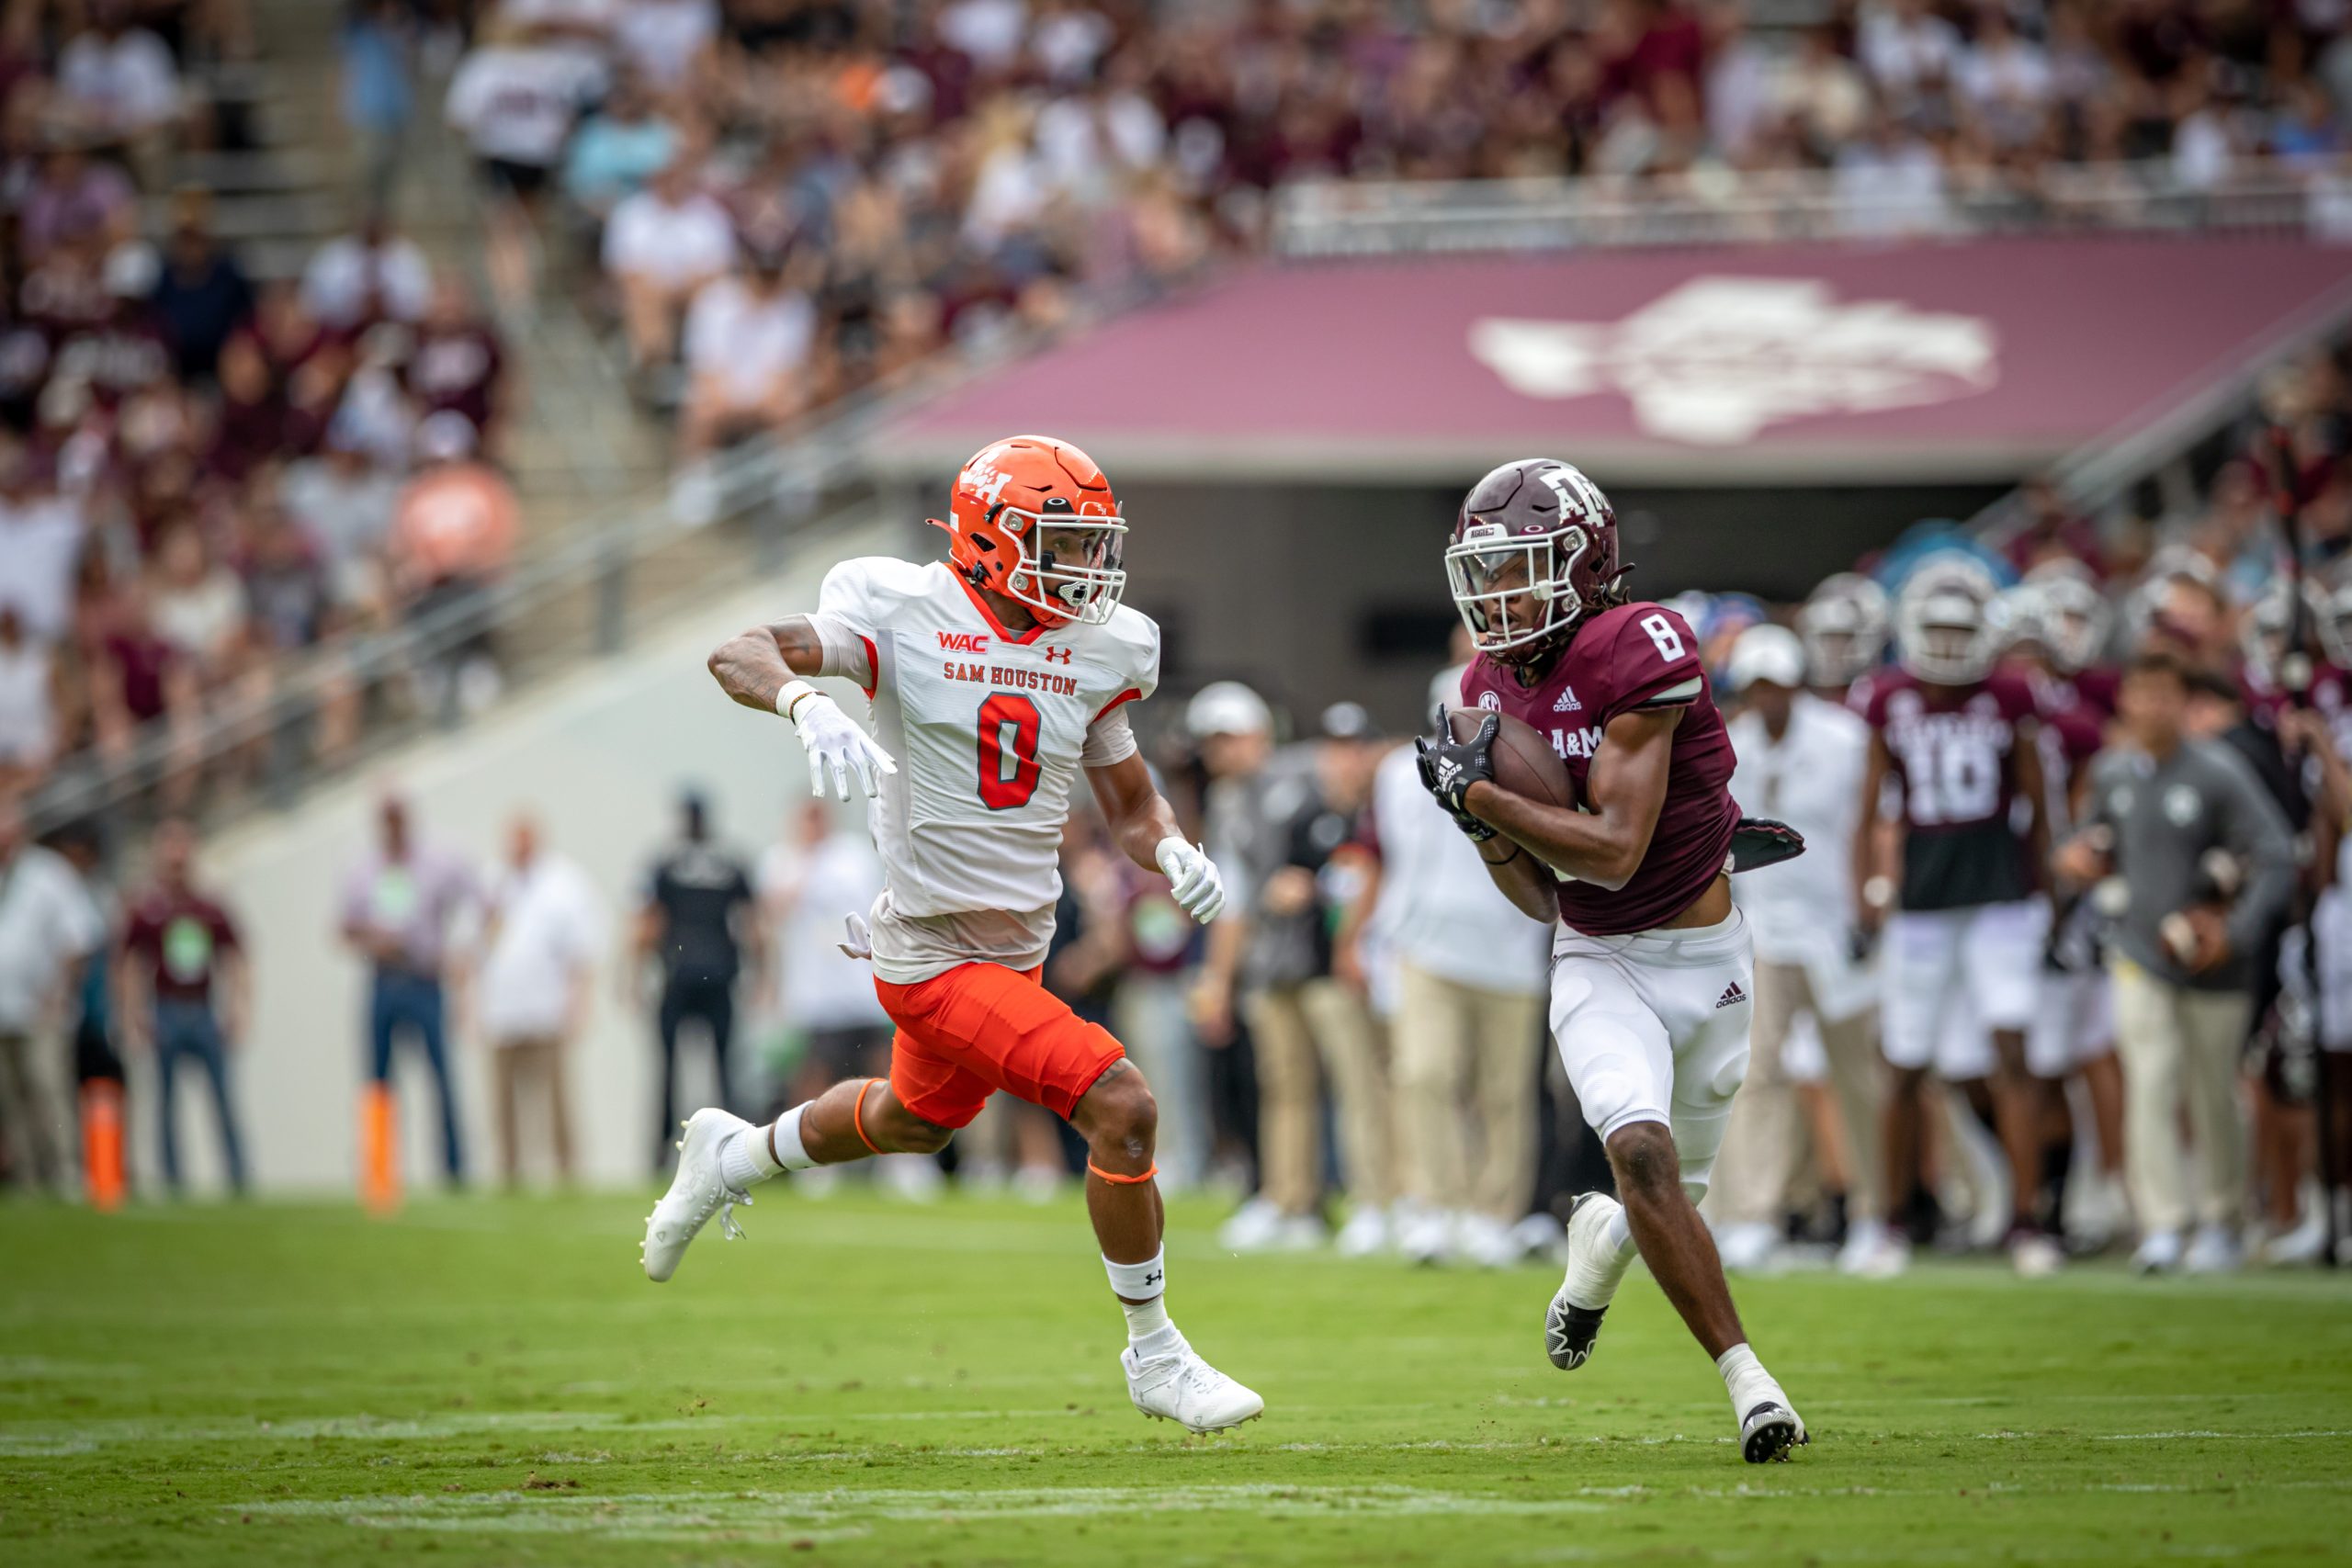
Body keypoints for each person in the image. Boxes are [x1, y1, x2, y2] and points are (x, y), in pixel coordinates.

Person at [650, 433, 1261, 1435]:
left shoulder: (1098, 647)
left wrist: (1170, 849)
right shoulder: (905, 609)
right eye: (1062, 544)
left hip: (1012, 945)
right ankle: (1155, 1354)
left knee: (913, 1121)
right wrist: (804, 700)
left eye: (1091, 544)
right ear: (993, 538)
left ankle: (736, 1156)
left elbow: (1131, 800)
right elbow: (739, 650)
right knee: (1121, 1101)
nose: (1087, 568)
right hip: (930, 951)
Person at [1416, 457, 1804, 1463]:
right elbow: (1546, 894)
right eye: (1487, 573)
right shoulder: (1482, 689)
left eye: (1522, 569)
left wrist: (1485, 798)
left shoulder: (1641, 643)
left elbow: (1617, 844)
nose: (1499, 596)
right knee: (1640, 1154)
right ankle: (1750, 1385)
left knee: (1672, 1196)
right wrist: (1480, 829)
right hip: (1598, 957)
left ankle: (1592, 1259)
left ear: (1585, 564)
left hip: (1707, 955)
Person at [1850, 555, 2057, 1277]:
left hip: (2001, 893)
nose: (1943, 642)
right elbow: (1870, 803)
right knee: (1904, 1061)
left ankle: (2028, 1221)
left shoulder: (2010, 694)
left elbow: (2039, 803)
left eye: (1956, 628)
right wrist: (1864, 893)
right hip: (1924, 901)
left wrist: (2050, 896)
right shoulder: (1888, 698)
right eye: (1932, 627)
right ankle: (1891, 1219)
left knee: (2012, 1051)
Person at [2060, 650, 2297, 1274]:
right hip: (2138, 950)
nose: (2152, 706)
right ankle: (2162, 1222)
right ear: (2127, 700)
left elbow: (2276, 853)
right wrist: (2077, 860)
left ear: (2184, 701)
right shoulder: (2115, 772)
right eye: (2142, 693)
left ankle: (2222, 1219)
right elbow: (2090, 842)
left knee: (2213, 1089)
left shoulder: (2220, 771)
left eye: (2165, 693)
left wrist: (2234, 929)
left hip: (2216, 963)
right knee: (2151, 1078)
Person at [1713, 623, 1884, 1274]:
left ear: (1796, 684)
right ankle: (1754, 1213)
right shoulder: (1733, 743)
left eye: (1776, 686)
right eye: (1756, 688)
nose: (1767, 699)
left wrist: (1873, 898)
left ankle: (1873, 1214)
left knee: (1856, 1076)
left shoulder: (1844, 739)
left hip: (1836, 927)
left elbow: (1875, 820)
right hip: (1763, 928)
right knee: (1756, 1072)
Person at [1367, 668, 1551, 1266]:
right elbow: (1403, 859)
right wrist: (1385, 940)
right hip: (1426, 947)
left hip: (1511, 949)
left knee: (1503, 1091)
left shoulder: (1524, 772)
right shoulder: (1399, 771)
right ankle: (1432, 1204)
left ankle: (1493, 1213)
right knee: (1423, 1074)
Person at [339, 794, 476, 1190]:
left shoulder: (436, 863)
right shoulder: (363, 870)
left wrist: (458, 954)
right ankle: (380, 1176)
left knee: (442, 1077)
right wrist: (373, 940)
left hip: (424, 982)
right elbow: (344, 926)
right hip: (383, 980)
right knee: (378, 1080)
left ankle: (454, 1171)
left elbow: (477, 900)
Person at [118, 818, 250, 1196]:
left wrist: (239, 1007)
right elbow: (128, 962)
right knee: (166, 1103)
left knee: (223, 1099)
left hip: (203, 1008)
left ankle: (238, 1178)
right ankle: (174, 1181)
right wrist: (133, 1013)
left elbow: (236, 956)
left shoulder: (208, 907)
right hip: (166, 1008)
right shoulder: (148, 911)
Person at [630, 790, 761, 1168]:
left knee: (670, 1070)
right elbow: (753, 925)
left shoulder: (666, 862)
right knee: (723, 1069)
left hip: (678, 975)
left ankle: (661, 1152)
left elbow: (649, 923)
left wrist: (634, 974)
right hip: (718, 974)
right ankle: (737, 1149)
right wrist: (764, 975)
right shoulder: (730, 862)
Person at [474, 811, 601, 1188]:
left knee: (557, 1100)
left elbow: (583, 951)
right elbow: (470, 948)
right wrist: (468, 1005)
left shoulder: (564, 883)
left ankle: (567, 1170)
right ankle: (509, 1172)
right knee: (503, 1103)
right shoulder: (491, 882)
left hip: (548, 1008)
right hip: (501, 1009)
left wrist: (580, 1003)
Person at [0, 795, 104, 1193]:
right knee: (12, 1100)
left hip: (40, 1010)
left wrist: (59, 993)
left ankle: (63, 1174)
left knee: (48, 1091)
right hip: (3, 1010)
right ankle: (26, 1180)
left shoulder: (48, 874)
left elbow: (79, 939)